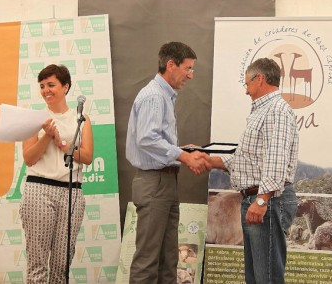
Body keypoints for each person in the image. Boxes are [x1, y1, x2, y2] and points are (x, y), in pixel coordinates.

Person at [126, 41, 210, 284]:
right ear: (171, 65)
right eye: (188, 68)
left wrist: (181, 150)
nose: (191, 75)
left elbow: (155, 142)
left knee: (168, 258)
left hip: (165, 182)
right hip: (155, 184)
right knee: (148, 260)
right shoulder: (154, 95)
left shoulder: (164, 95)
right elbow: (147, 138)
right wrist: (183, 156)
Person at [209, 57, 299, 284]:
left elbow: (275, 159)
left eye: (246, 83)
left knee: (266, 277)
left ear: (259, 79)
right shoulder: (264, 111)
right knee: (256, 276)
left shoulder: (276, 111)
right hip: (257, 198)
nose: (246, 90)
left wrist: (262, 200)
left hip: (267, 200)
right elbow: (247, 160)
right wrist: (208, 159)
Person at [20, 64, 94, 283]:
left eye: (51, 85)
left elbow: (88, 156)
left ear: (65, 87)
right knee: (37, 264)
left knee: (62, 266)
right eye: (42, 86)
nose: (46, 90)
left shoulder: (82, 119)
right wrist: (46, 136)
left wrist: (61, 142)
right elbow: (29, 157)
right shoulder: (34, 118)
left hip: (72, 192)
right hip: (39, 190)